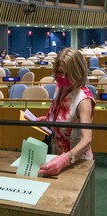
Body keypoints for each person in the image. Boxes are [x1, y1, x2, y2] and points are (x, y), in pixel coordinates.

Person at [37, 47, 95, 176]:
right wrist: (46, 119)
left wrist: (64, 159)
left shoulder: (83, 100)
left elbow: (87, 140)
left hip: (76, 161)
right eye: (60, 72)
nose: (62, 77)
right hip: (55, 155)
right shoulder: (60, 87)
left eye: (67, 73)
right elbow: (61, 115)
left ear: (77, 72)